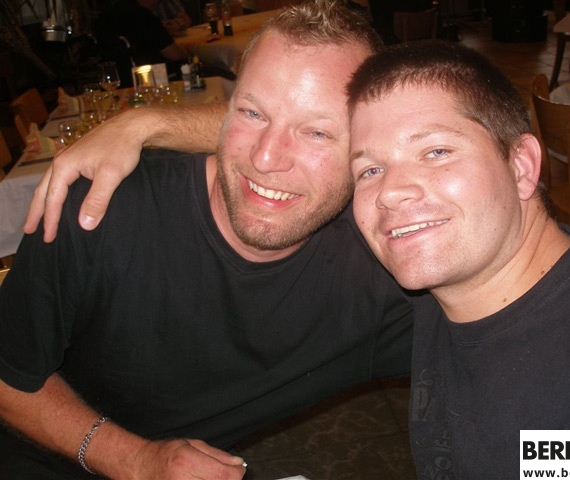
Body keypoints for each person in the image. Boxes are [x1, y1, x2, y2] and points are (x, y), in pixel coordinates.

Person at [0, 2, 414, 479]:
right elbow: (7, 377)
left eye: (318, 133)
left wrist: (149, 123)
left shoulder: (382, 277)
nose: (266, 158)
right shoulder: (100, 208)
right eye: (252, 112)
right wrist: (135, 460)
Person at [346, 41, 570, 478]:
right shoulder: (447, 282)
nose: (389, 192)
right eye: (369, 170)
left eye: (436, 152)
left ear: (521, 166)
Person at [93, 0, 191, 84]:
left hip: (117, 77)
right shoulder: (144, 16)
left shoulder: (105, 15)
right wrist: (186, 51)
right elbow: (174, 54)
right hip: (150, 78)